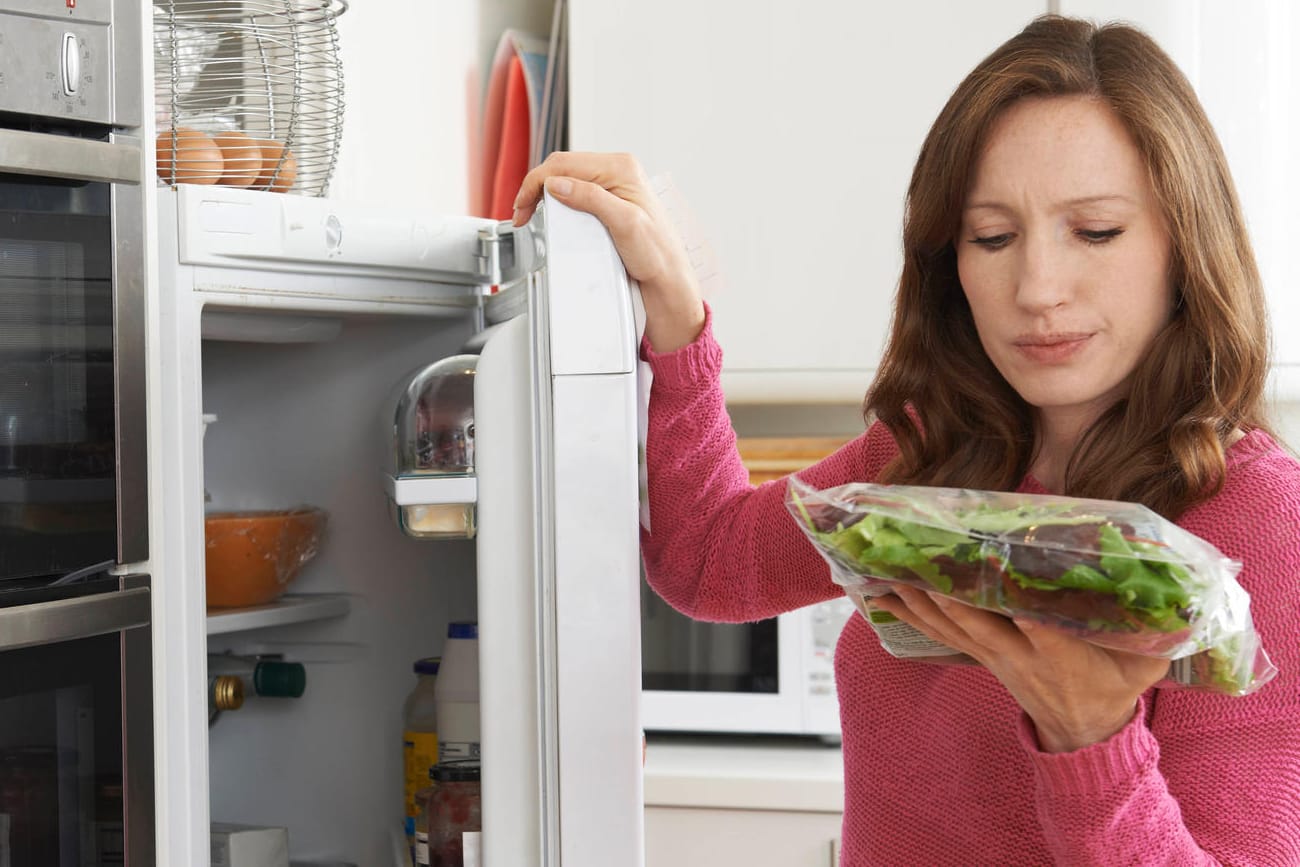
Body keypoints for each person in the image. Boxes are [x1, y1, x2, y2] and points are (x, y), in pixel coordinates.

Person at [514, 14, 1300, 865]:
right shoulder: (935, 455)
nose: (1037, 287)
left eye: (1096, 230)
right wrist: (675, 312)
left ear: (1185, 242)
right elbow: (711, 561)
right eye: (991, 236)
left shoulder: (1262, 521)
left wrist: (1092, 738)